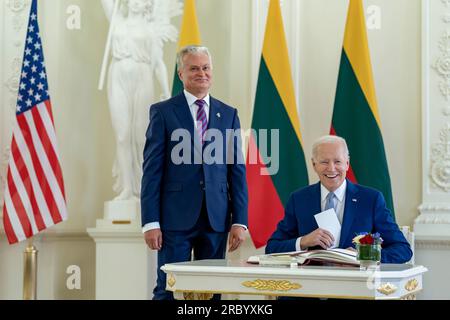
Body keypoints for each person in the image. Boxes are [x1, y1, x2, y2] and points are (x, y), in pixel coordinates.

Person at [141, 45, 248, 300]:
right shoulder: (163, 112)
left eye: (206, 67)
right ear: (181, 74)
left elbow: (237, 171)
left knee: (211, 289)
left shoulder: (229, 114)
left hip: (216, 218)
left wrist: (239, 220)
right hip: (174, 219)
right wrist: (150, 222)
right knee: (168, 287)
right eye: (194, 68)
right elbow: (151, 171)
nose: (202, 73)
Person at [266, 135, 412, 264]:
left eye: (337, 161)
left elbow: (402, 249)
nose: (331, 168)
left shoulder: (371, 199)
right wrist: (303, 241)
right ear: (314, 165)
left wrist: (364, 255)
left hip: (355, 288)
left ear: (347, 164)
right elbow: (272, 248)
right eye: (324, 162)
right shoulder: (299, 199)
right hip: (309, 287)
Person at [101, 0, 179, 200]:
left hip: (143, 75)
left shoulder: (151, 29)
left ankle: (145, 189)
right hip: (118, 74)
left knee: (141, 136)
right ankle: (127, 187)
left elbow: (159, 63)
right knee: (122, 135)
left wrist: (166, 92)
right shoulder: (116, 20)